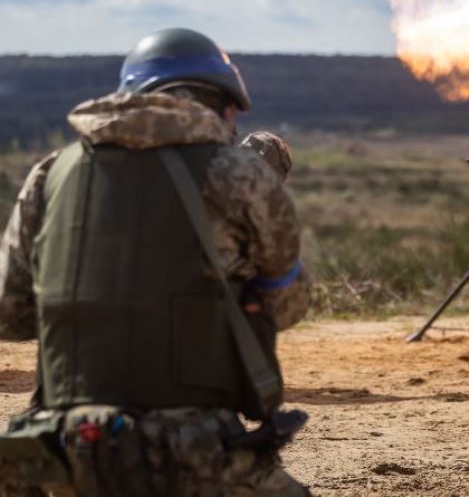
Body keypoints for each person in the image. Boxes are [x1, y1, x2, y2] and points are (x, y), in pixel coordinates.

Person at [0, 28, 311, 495]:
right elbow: (287, 306)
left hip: (62, 451)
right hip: (190, 449)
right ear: (224, 106)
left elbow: (10, 313)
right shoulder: (238, 172)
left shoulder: (50, 174)